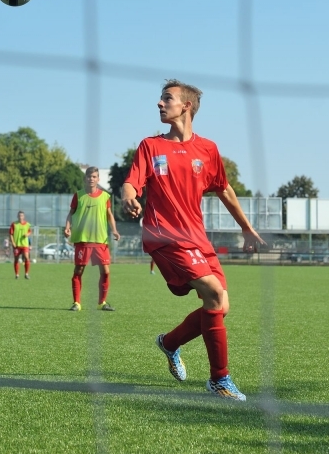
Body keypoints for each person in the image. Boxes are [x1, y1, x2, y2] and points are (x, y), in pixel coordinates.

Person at [121, 79, 265, 402]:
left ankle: (170, 343)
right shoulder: (150, 146)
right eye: (160, 99)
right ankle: (219, 380)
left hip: (197, 239)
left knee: (221, 306)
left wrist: (246, 227)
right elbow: (130, 183)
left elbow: (224, 189)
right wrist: (128, 197)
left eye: (167, 98)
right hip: (164, 236)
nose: (160, 104)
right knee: (213, 293)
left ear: (186, 106)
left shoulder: (208, 149)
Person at [64, 166, 121, 312]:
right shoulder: (78, 195)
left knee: (106, 271)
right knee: (78, 271)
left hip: (100, 240)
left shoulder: (105, 197)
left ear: (98, 179)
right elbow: (71, 213)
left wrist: (114, 230)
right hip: (83, 239)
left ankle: (102, 303)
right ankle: (76, 303)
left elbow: (109, 215)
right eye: (89, 176)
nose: (91, 179)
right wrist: (67, 227)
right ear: (85, 179)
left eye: (94, 176)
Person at [10, 211, 32, 279]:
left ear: (24, 216)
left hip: (25, 244)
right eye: (19, 215)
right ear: (17, 216)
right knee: (16, 259)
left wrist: (27, 234)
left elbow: (30, 231)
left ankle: (26, 273)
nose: (20, 217)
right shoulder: (14, 224)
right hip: (17, 245)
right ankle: (17, 274)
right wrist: (13, 242)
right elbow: (11, 234)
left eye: (22, 215)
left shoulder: (27, 224)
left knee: (26, 257)